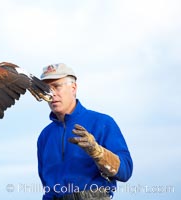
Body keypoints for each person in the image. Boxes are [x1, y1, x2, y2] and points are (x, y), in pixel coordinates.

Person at [37, 63, 133, 200]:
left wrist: (98, 153)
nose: (51, 93)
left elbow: (126, 170)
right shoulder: (45, 136)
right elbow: (46, 184)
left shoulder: (102, 123)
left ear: (73, 88)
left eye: (57, 86)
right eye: (46, 89)